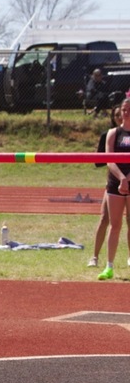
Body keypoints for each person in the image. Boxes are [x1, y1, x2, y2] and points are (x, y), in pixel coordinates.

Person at [99, 98, 130, 280]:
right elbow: (109, 159)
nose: (125, 112)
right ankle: (109, 266)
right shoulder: (113, 133)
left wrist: (128, 179)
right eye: (124, 109)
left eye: (129, 109)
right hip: (115, 183)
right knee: (115, 224)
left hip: (128, 180)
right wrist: (121, 178)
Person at [88, 105, 122, 267]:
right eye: (117, 115)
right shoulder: (109, 135)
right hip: (113, 183)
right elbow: (98, 161)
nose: (120, 117)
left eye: (121, 114)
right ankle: (94, 257)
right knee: (104, 219)